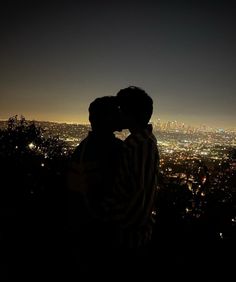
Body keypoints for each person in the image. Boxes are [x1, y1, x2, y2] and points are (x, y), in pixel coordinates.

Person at [67, 96, 123, 278]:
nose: (121, 115)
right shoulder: (115, 149)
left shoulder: (83, 148)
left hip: (82, 230)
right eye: (116, 112)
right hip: (103, 234)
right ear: (107, 118)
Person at [107, 86, 160, 277]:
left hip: (130, 240)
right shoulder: (142, 141)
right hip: (131, 235)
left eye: (121, 109)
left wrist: (118, 227)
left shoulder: (139, 145)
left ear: (130, 113)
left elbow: (140, 196)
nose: (117, 113)